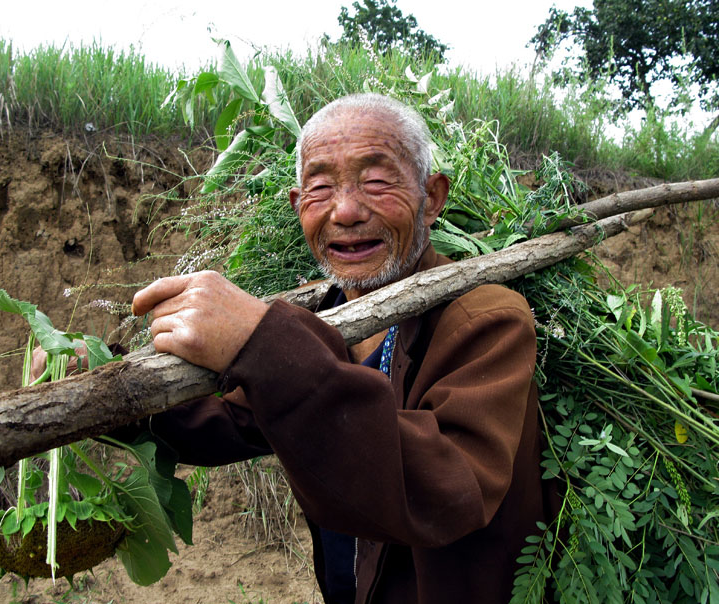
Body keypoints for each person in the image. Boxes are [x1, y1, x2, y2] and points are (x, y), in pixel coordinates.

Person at [121, 94, 549, 603]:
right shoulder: (318, 320)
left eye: (376, 181)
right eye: (320, 188)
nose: (345, 211)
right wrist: (112, 388)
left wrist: (260, 342)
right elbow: (229, 423)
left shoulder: (485, 318)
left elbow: (449, 490)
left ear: (432, 198)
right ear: (298, 207)